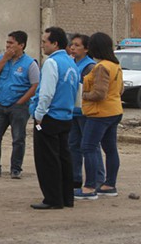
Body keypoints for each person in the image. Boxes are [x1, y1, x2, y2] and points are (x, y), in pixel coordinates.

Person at [29, 26, 79, 210]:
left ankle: (52, 198)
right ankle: (67, 197)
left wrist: (39, 115)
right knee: (64, 157)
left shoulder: (52, 63)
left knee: (47, 159)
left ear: (55, 43)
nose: (42, 45)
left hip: (48, 119)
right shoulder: (71, 62)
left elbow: (47, 93)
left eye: (44, 42)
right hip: (65, 117)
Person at [0, 31, 39, 180]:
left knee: (18, 138)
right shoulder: (0, 58)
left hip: (19, 107)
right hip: (0, 105)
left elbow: (35, 85)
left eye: (11, 43)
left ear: (21, 45)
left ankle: (16, 169)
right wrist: (4, 59)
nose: (7, 45)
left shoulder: (30, 63)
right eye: (7, 43)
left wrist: (21, 101)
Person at [75, 32, 124, 201]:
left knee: (88, 147)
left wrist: (83, 95)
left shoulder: (102, 67)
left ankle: (89, 188)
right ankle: (109, 185)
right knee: (110, 149)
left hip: (100, 113)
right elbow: (120, 89)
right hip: (114, 110)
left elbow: (100, 93)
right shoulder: (115, 65)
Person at [68, 34, 104, 189]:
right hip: (73, 112)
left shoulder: (89, 66)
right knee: (73, 145)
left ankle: (98, 179)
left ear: (86, 49)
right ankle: (75, 178)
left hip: (86, 113)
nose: (73, 48)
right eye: (72, 45)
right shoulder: (72, 63)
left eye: (77, 45)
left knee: (90, 146)